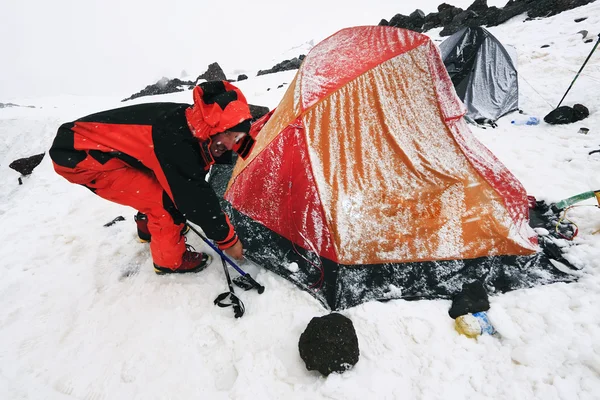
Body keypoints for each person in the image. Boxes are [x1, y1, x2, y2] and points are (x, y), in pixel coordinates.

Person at [49, 81, 258, 274]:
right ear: (216, 130)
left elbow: (209, 156)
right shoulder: (176, 143)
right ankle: (170, 261)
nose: (234, 144)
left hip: (101, 147)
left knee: (162, 181)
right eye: (233, 137)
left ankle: (147, 228)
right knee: (165, 202)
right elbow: (193, 199)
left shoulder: (196, 122)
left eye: (238, 137)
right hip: (81, 157)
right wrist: (228, 240)